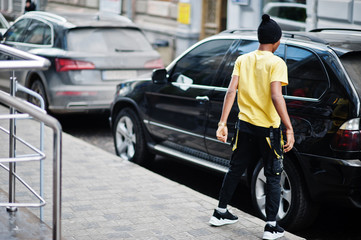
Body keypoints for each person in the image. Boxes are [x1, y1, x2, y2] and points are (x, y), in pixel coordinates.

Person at [209, 14, 295, 240]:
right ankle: (270, 227)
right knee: (273, 175)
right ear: (276, 40)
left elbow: (231, 91)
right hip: (268, 129)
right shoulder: (277, 62)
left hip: (245, 125)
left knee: (235, 169)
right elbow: (277, 96)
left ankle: (220, 213)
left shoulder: (243, 59)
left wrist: (222, 123)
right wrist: (289, 127)